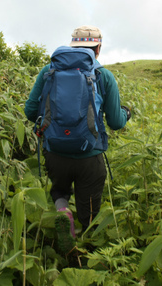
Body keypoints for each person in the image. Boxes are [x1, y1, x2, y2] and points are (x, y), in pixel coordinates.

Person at [24, 25, 130, 251]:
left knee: (60, 190)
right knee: (89, 208)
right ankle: (84, 249)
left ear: (72, 44)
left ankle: (63, 212)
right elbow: (116, 122)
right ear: (98, 47)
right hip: (89, 156)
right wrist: (127, 112)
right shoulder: (104, 76)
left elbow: (30, 110)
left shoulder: (48, 72)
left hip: (55, 151)